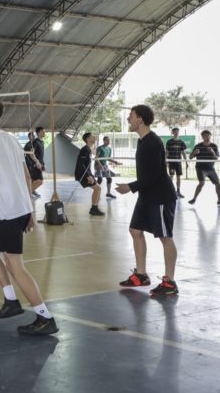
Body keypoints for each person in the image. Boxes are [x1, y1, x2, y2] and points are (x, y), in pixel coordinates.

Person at [0, 98, 57, 335]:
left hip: (10, 211)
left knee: (15, 266)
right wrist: (29, 209)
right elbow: (26, 177)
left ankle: (44, 317)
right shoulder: (11, 139)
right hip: (15, 209)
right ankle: (11, 301)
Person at [116, 105, 179, 296]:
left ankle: (170, 282)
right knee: (135, 230)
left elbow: (154, 175)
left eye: (131, 116)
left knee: (165, 237)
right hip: (146, 195)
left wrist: (131, 187)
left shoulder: (152, 142)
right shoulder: (142, 141)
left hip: (160, 197)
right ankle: (141, 275)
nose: (128, 119)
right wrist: (136, 188)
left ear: (140, 119)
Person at [188, 129, 220, 206]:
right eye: (205, 136)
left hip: (210, 168)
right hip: (200, 168)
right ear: (202, 137)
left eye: (208, 135)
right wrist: (194, 153)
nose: (207, 137)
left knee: (218, 184)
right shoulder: (198, 146)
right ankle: (194, 199)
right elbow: (190, 157)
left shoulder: (214, 146)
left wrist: (212, 152)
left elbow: (216, 158)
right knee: (201, 183)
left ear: (210, 136)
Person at [75, 133, 105, 216]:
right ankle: (94, 209)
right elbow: (81, 164)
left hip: (86, 173)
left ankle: (94, 208)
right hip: (82, 174)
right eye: (92, 137)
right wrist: (88, 176)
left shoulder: (88, 149)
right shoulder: (85, 149)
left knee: (98, 188)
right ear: (87, 139)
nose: (94, 138)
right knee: (97, 188)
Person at [165, 127, 187, 198]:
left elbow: (183, 152)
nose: (176, 133)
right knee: (171, 176)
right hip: (171, 162)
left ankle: (178, 191)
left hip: (178, 162)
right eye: (175, 131)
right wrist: (165, 161)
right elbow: (167, 152)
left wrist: (186, 161)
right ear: (172, 133)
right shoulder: (169, 142)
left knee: (178, 176)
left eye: (177, 131)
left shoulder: (181, 142)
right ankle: (170, 191)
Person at [23, 131, 43, 198]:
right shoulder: (28, 144)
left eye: (34, 135)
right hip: (29, 164)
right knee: (32, 178)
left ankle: (32, 191)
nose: (34, 136)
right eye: (32, 135)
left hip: (33, 163)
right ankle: (29, 192)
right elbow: (29, 155)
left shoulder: (33, 144)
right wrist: (35, 162)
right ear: (29, 137)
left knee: (33, 179)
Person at [31, 127, 46, 195]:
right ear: (39, 132)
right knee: (40, 181)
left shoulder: (42, 142)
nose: (44, 133)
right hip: (35, 165)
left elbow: (40, 155)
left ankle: (31, 192)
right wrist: (37, 162)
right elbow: (31, 154)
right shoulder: (35, 142)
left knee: (34, 180)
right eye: (43, 131)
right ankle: (28, 192)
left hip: (40, 164)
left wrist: (42, 164)